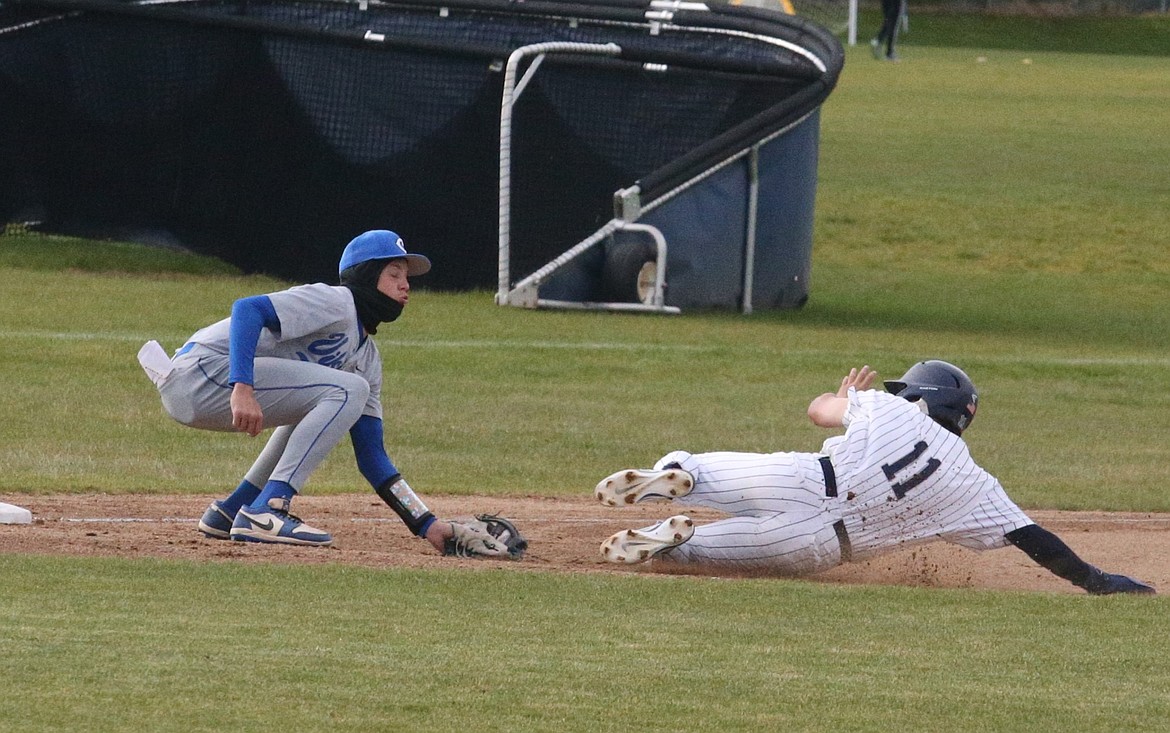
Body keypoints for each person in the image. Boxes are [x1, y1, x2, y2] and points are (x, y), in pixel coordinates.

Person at [595, 360, 1155, 595]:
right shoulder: (976, 484)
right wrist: (1095, 579)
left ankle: (676, 476)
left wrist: (843, 397)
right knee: (688, 556)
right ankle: (677, 537)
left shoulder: (889, 410)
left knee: (693, 467)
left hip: (805, 479)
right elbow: (1035, 541)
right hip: (816, 547)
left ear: (920, 395)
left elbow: (818, 412)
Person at [137, 229, 514, 557]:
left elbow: (372, 457)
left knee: (334, 396)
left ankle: (233, 510)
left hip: (207, 387)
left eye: (407, 277)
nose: (405, 285)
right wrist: (242, 387)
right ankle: (269, 508)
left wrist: (427, 524)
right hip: (202, 373)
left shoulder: (366, 359)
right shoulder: (335, 301)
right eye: (393, 273)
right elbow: (247, 309)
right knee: (345, 389)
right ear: (366, 276)